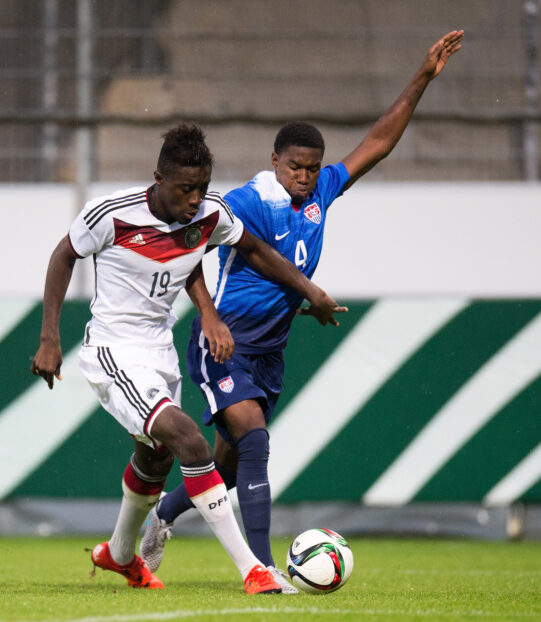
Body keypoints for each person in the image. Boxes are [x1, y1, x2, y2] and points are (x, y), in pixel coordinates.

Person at [139, 30, 465, 587]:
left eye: (313, 168)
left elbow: (377, 145)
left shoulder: (319, 195)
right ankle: (263, 570)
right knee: (258, 442)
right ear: (275, 161)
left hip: (269, 352)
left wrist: (422, 77)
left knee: (229, 466)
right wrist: (244, 306)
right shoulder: (249, 200)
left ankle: (162, 518)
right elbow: (208, 238)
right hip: (226, 341)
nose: (306, 177)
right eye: (296, 167)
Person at [31, 123, 345, 594]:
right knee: (190, 441)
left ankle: (119, 555)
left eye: (201, 188)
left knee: (154, 460)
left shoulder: (206, 214)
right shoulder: (113, 213)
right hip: (114, 350)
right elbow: (62, 256)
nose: (195, 199)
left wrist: (218, 310)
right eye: (185, 189)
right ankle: (254, 570)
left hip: (160, 351)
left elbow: (244, 250)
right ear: (159, 178)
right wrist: (49, 337)